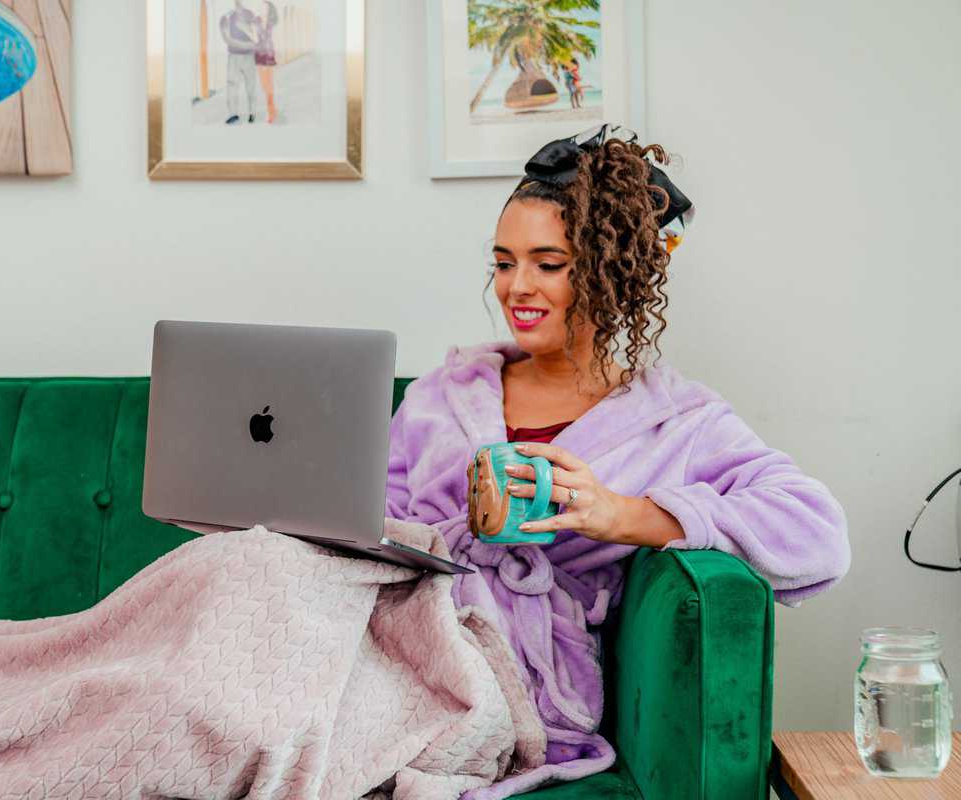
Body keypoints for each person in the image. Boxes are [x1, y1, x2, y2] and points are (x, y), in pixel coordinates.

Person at [384, 123, 850, 784]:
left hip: (512, 677)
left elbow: (820, 533)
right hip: (400, 636)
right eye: (503, 260)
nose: (516, 286)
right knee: (249, 567)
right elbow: (372, 524)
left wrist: (627, 515)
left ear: (608, 273)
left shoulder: (677, 422)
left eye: (548, 264)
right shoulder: (441, 395)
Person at [219, 0, 259, 124]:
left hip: (248, 57)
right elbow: (227, 39)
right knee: (232, 85)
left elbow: (256, 37)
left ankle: (252, 113)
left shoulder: (250, 14)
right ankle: (233, 114)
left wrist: (244, 29)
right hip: (234, 56)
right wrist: (248, 45)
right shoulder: (225, 17)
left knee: (251, 85)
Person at [253, 0, 279, 123]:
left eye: (265, 8)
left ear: (269, 10)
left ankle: (271, 112)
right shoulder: (256, 21)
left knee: (268, 84)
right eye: (261, 7)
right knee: (264, 85)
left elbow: (268, 37)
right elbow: (253, 36)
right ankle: (273, 108)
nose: (262, 10)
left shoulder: (271, 22)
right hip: (258, 53)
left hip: (268, 52)